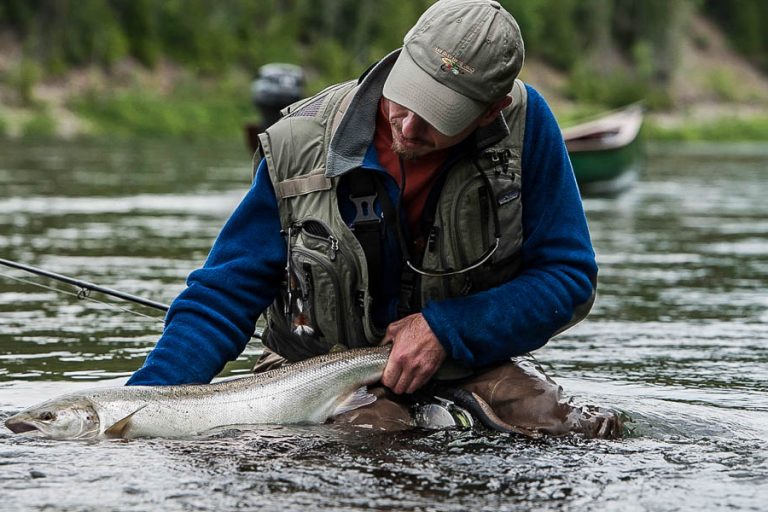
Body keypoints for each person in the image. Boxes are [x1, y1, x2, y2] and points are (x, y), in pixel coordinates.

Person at [128, 0, 622, 438]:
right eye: (405, 97)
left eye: (438, 115)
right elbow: (224, 294)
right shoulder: (298, 143)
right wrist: (139, 405)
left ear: (490, 110)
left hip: (464, 358)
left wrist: (447, 330)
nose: (407, 125)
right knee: (374, 441)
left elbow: (568, 278)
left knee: (574, 429)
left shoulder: (526, 128)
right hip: (311, 371)